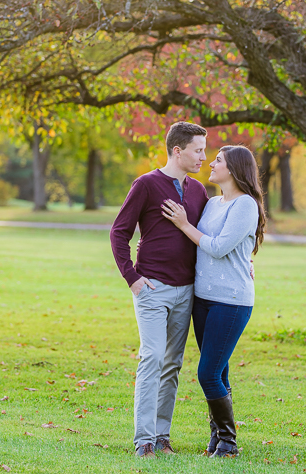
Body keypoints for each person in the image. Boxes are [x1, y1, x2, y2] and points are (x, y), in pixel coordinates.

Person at [109, 121, 209, 458]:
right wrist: (133, 279)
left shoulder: (198, 191)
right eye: (198, 150)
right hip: (152, 288)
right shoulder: (147, 185)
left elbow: (207, 238)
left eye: (205, 151)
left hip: (187, 291)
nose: (203, 157)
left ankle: (162, 436)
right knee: (152, 357)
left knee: (172, 364)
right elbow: (118, 233)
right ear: (178, 151)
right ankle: (144, 441)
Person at [161, 145, 266, 458]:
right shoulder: (213, 203)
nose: (210, 162)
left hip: (231, 301)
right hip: (203, 298)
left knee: (207, 373)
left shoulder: (246, 205)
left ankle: (229, 442)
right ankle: (217, 441)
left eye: (217, 160)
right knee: (219, 372)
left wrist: (183, 224)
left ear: (233, 169)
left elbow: (219, 247)